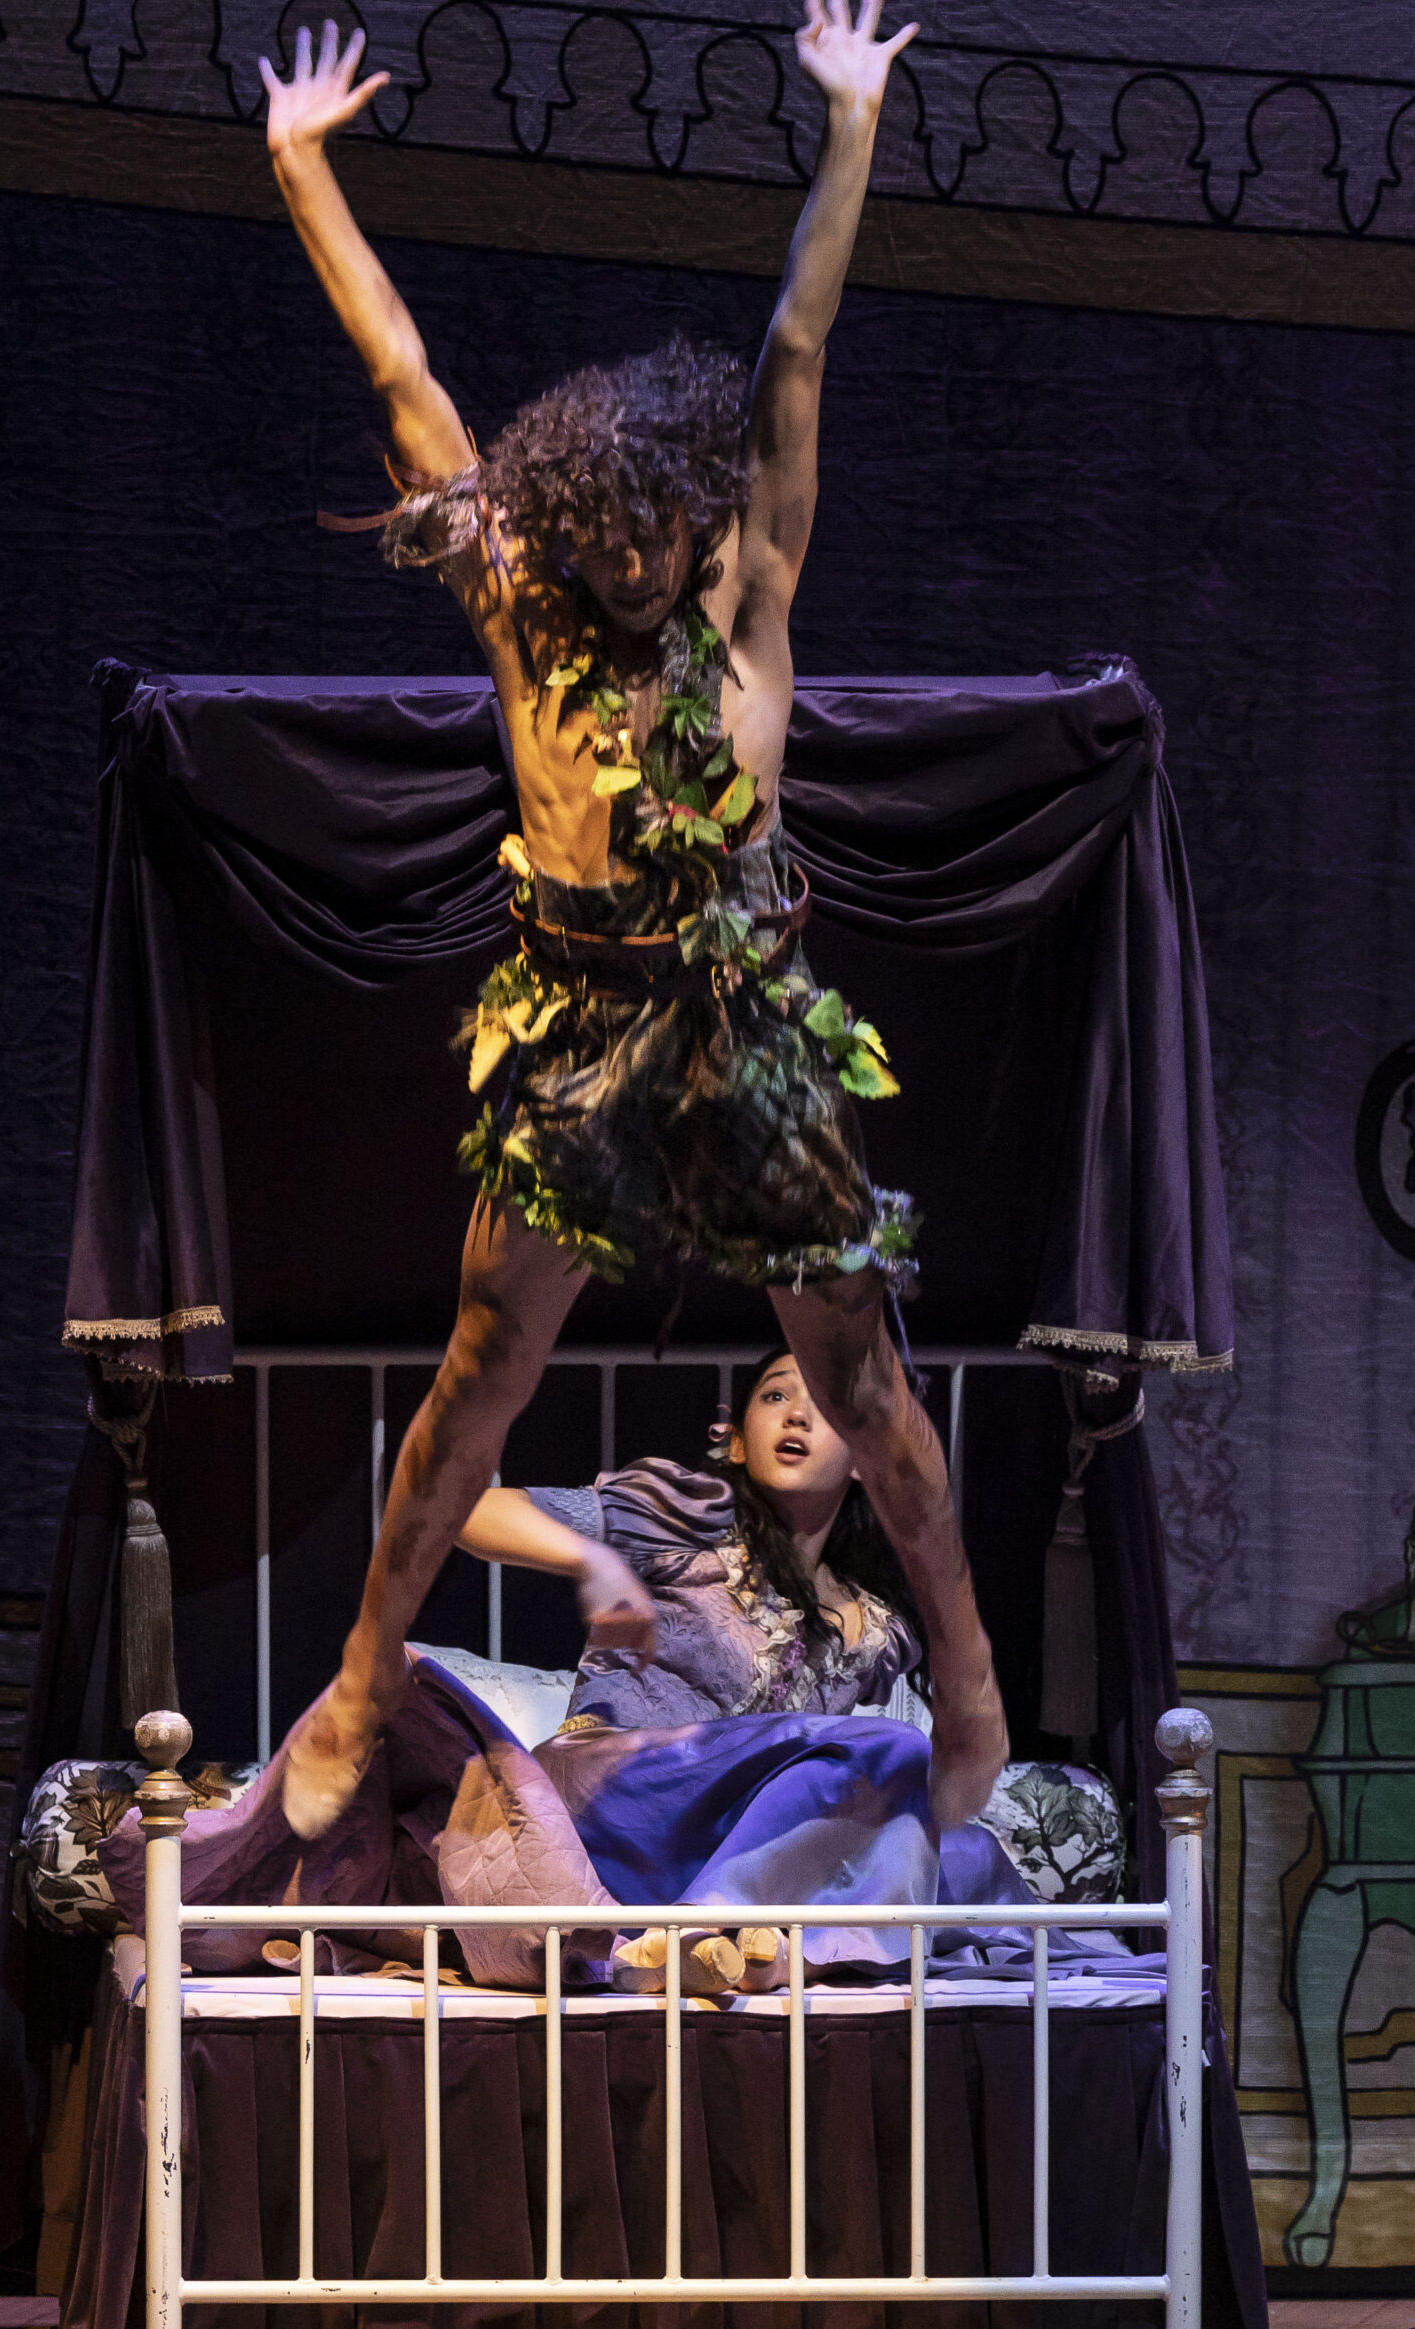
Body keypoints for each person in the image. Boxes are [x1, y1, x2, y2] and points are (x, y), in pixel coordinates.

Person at [261, 3, 1008, 1844]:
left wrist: (850, 123)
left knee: (864, 1386)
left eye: (650, 534)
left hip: (744, 1025)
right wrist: (299, 165)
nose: (625, 562)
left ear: (694, 518)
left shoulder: (746, 601)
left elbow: (795, 343)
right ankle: (358, 1679)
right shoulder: (527, 606)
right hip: (577, 1026)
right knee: (479, 1371)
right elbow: (405, 380)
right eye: (593, 537)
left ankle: (970, 1674)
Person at [451, 1347, 1021, 1990]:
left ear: (865, 1459)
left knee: (969, 1856)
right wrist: (593, 1560)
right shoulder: (685, 1518)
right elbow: (468, 1512)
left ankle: (760, 1953)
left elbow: (946, 1788)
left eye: (825, 1404)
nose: (797, 1416)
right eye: (776, 1396)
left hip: (734, 1844)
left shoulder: (872, 1622)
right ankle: (709, 1929)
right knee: (891, 1749)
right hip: (617, 1803)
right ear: (737, 1441)